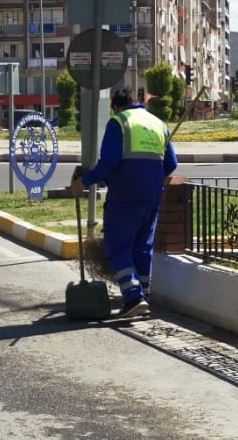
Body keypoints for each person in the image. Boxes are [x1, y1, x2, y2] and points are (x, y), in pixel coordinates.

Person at [69, 90, 179, 319]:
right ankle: (144, 299)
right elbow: (171, 163)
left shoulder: (118, 122)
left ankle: (132, 296)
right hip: (152, 196)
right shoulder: (158, 123)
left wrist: (84, 182)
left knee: (117, 245)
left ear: (116, 106)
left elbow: (108, 164)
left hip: (125, 195)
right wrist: (151, 178)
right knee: (142, 248)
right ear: (136, 102)